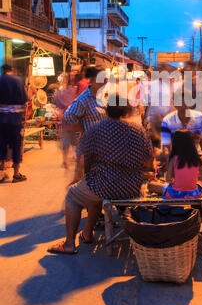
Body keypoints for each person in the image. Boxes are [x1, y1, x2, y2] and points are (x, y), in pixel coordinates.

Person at [48, 95, 153, 254]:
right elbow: (148, 163)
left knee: (72, 196)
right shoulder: (138, 130)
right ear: (127, 110)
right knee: (92, 192)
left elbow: (85, 161)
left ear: (106, 110)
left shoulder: (95, 129)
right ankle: (87, 232)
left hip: (102, 185)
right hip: (132, 187)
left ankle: (69, 244)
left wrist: (89, 177)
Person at [148, 130, 202, 199]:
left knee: (151, 185)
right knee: (198, 185)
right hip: (194, 194)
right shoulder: (196, 158)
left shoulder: (174, 159)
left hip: (176, 194)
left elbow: (167, 179)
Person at [161, 89, 202, 153]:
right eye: (179, 102)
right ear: (174, 103)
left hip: (196, 154)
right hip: (176, 155)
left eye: (185, 102)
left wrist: (196, 138)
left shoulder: (200, 117)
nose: (182, 105)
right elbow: (166, 145)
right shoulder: (167, 121)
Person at [0, 64, 28, 183]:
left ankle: (1, 172)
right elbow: (24, 99)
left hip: (1, 118)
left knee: (1, 144)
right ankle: (16, 174)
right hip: (15, 119)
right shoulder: (18, 80)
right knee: (16, 145)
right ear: (12, 70)